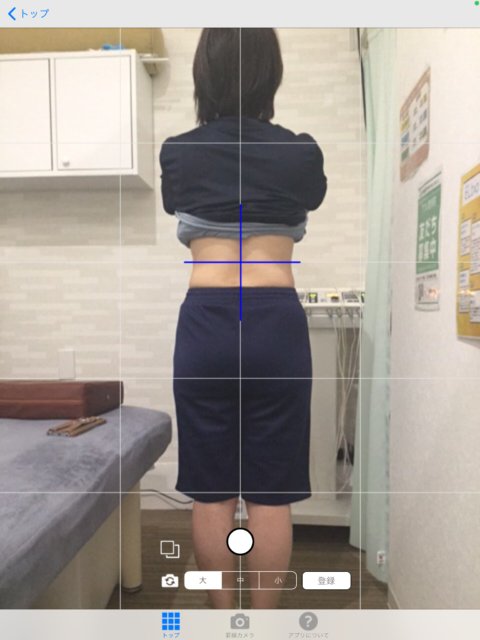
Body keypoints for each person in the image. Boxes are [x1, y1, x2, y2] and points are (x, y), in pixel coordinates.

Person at [159, 28, 328, 610]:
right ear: (270, 73)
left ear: (203, 73)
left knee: (211, 492)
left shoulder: (180, 152)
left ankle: (219, 622)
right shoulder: (300, 153)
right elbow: (311, 196)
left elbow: (176, 202)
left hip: (205, 324)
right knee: (270, 493)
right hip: (275, 325)